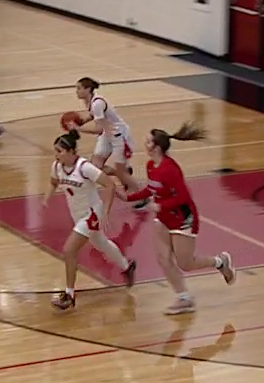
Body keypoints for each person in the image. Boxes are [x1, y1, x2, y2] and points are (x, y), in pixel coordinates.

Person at [119, 123, 235, 314]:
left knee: (186, 264)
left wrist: (160, 205)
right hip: (163, 219)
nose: (144, 143)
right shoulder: (151, 165)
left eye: (148, 141)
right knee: (163, 259)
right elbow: (152, 188)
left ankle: (220, 262)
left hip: (183, 218)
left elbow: (182, 197)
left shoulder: (170, 169)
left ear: (156, 147)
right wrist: (128, 197)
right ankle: (183, 298)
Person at [46, 130, 137, 310]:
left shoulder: (84, 167)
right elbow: (53, 182)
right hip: (77, 214)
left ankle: (69, 295)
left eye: (60, 151)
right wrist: (46, 198)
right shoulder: (56, 166)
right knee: (101, 243)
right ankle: (127, 267)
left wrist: (106, 212)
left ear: (72, 152)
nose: (56, 154)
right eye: (55, 151)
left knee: (69, 250)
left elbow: (110, 185)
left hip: (92, 213)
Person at [67, 77, 144, 209]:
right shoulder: (90, 102)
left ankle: (142, 195)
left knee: (121, 172)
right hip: (107, 134)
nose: (77, 91)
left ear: (88, 89)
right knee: (96, 166)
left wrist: (78, 128)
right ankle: (123, 173)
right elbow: (93, 116)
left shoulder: (97, 103)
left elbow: (98, 129)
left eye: (79, 88)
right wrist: (81, 121)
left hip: (118, 135)